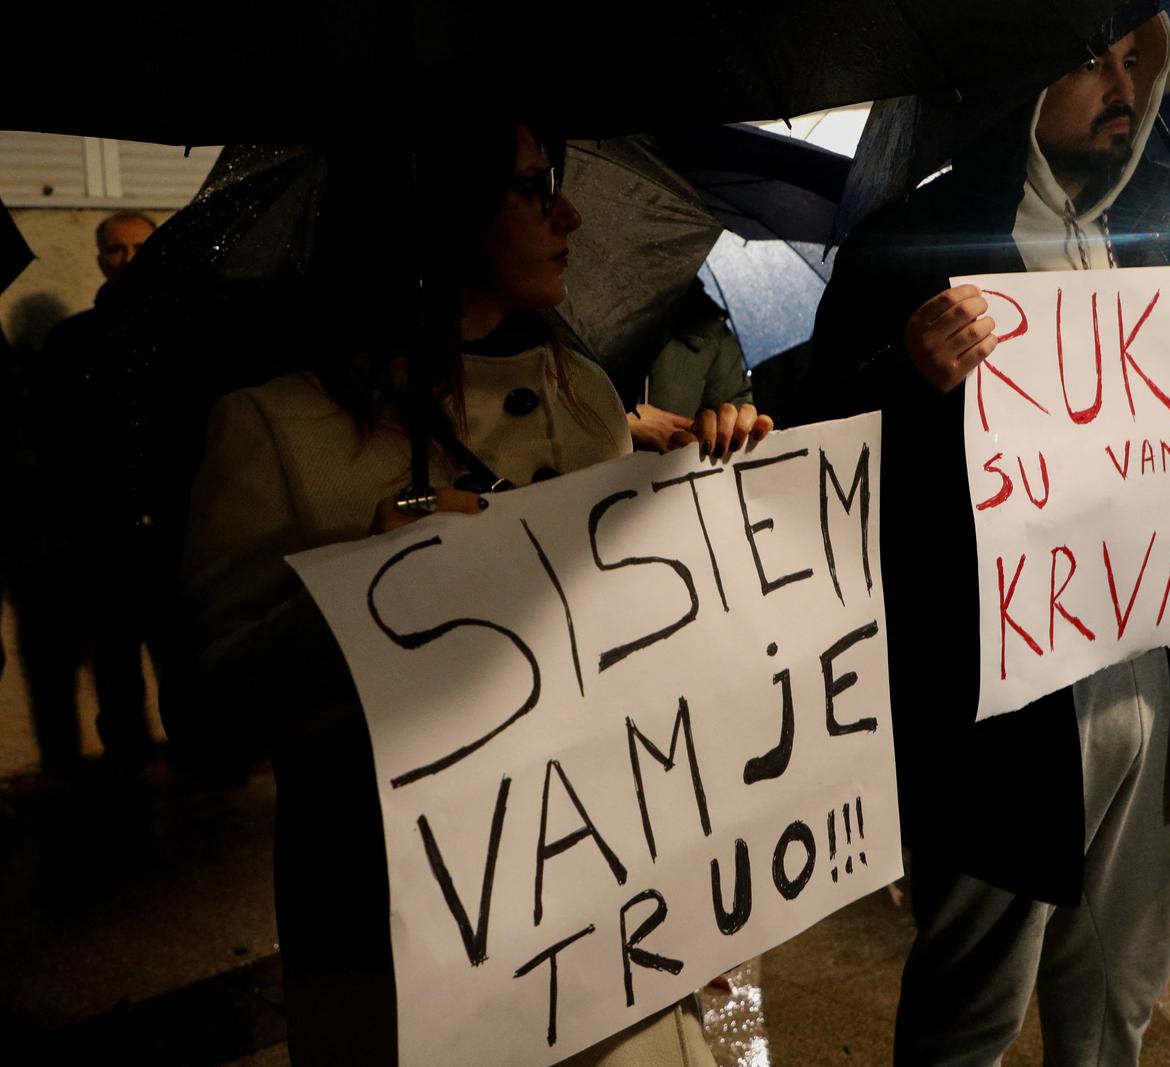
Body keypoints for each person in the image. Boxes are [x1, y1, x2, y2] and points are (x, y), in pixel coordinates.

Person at [808, 15, 1170, 1066]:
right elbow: (818, 454)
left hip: (1148, 680)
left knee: (1118, 987)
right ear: (1013, 78)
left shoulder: (1155, 240)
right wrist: (905, 373)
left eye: (1137, 61)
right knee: (974, 1002)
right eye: (1091, 59)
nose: (1119, 84)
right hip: (1001, 710)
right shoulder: (916, 238)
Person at [179, 120, 729, 1066]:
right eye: (530, 187)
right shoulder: (272, 429)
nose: (569, 212)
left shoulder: (588, 395)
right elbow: (206, 727)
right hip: (412, 959)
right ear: (433, 218)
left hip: (613, 930)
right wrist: (358, 594)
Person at [11, 210, 160, 775]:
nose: (128, 259)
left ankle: (202, 767)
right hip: (104, 527)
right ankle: (130, 770)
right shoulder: (72, 341)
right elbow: (49, 436)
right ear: (101, 258)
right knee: (115, 662)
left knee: (186, 653)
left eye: (140, 247)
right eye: (116, 249)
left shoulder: (194, 331)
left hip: (178, 524)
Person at [624, 278, 766, 456]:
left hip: (667, 478)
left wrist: (739, 428)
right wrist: (621, 425)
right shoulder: (584, 317)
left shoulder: (711, 329)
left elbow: (730, 403)